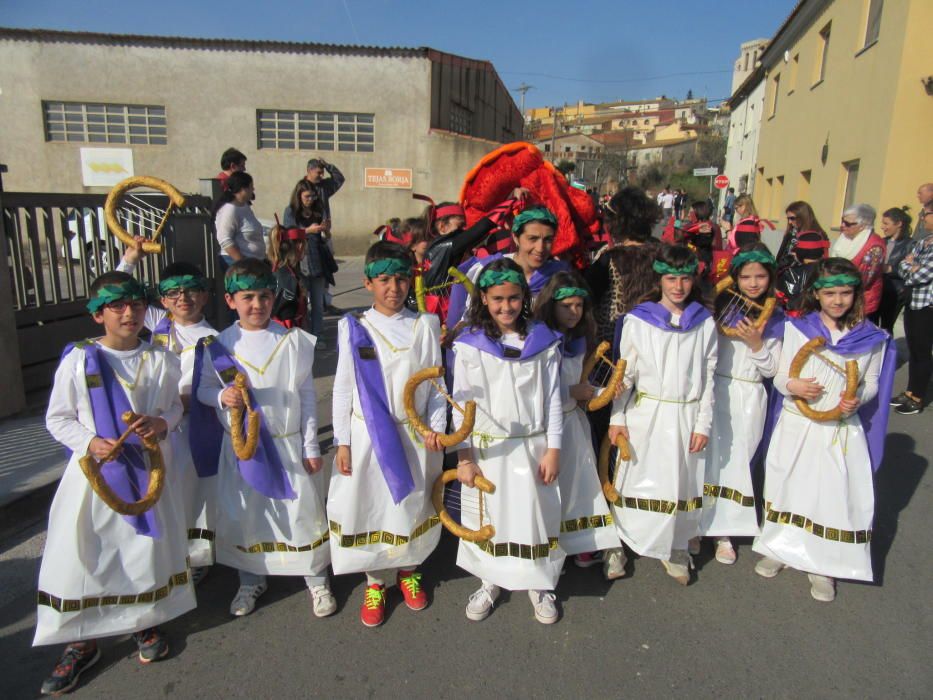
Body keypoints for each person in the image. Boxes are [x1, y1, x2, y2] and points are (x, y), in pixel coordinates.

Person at [35, 272, 193, 696]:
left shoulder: (162, 359)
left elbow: (174, 408)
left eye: (136, 305)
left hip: (148, 473)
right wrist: (89, 442)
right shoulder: (81, 359)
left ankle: (145, 623)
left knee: (143, 550)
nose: (129, 313)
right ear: (97, 314)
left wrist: (162, 423)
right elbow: (58, 418)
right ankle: (82, 641)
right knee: (91, 553)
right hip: (94, 478)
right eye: (118, 306)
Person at [192, 259, 334, 619]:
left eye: (265, 296)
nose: (257, 305)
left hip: (287, 443)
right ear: (230, 300)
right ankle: (250, 578)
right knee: (246, 514)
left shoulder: (291, 341)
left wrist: (311, 445)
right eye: (248, 297)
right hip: (243, 447)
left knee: (302, 512)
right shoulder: (218, 345)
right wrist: (221, 397)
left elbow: (305, 395)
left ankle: (315, 577)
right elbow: (205, 389)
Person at [753, 258, 895, 602]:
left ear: (856, 294)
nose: (838, 300)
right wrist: (794, 386)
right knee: (788, 484)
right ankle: (780, 547)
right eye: (830, 293)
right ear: (816, 294)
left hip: (839, 427)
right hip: (797, 423)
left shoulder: (871, 337)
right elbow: (781, 375)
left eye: (845, 293)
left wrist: (858, 398)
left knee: (831, 496)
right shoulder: (798, 329)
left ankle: (823, 565)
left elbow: (873, 381)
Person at [329, 242, 445, 627]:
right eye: (383, 280)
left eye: (400, 278)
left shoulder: (425, 325)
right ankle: (376, 579)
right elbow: (343, 388)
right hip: (369, 439)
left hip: (414, 435)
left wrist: (437, 429)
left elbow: (438, 386)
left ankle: (410, 570)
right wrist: (342, 441)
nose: (393, 287)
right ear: (367, 283)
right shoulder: (355, 327)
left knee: (411, 505)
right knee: (373, 507)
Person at [451, 257, 565, 624]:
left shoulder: (542, 341)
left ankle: (540, 583)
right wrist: (463, 456)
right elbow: (460, 407)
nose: (506, 306)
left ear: (524, 298)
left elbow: (553, 400)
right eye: (497, 298)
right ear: (483, 298)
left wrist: (554, 448)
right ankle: (489, 581)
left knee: (535, 518)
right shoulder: (470, 344)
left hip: (532, 445)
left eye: (513, 298)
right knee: (490, 517)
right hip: (489, 448)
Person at [606, 245, 717, 585]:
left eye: (684, 279)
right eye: (671, 278)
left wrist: (703, 423)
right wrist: (617, 416)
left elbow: (709, 375)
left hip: (686, 415)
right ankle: (618, 544)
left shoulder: (704, 321)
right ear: (659, 279)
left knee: (682, 481)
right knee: (635, 478)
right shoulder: (639, 320)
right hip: (647, 413)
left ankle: (676, 546)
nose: (678, 286)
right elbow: (625, 372)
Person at [117, 239, 218, 583]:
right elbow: (116, 296)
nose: (183, 299)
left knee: (191, 491)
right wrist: (129, 259)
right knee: (160, 491)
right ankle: (164, 552)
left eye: (191, 291)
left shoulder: (216, 337)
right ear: (162, 300)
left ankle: (197, 556)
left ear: (204, 295)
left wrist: (186, 403)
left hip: (192, 426)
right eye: (173, 293)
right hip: (155, 429)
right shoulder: (158, 323)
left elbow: (221, 386)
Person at [699, 244, 783, 564]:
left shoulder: (776, 319)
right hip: (716, 388)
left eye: (760, 276)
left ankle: (726, 532)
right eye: (746, 276)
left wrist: (757, 345)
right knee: (707, 460)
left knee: (738, 463)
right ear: (734, 277)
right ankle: (697, 524)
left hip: (749, 396)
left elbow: (772, 370)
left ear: (770, 278)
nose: (752, 283)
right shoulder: (720, 307)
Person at [533, 272, 621, 573]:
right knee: (549, 487)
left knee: (577, 486)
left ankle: (579, 542)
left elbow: (582, 383)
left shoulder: (581, 338)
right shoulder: (539, 341)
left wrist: (604, 391)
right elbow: (537, 391)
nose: (575, 312)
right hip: (547, 427)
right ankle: (549, 541)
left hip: (574, 421)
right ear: (550, 306)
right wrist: (573, 392)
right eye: (567, 305)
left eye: (579, 305)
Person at [446, 207, 568, 330]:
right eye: (532, 239)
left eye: (548, 240)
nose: (540, 248)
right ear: (516, 238)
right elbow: (466, 319)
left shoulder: (560, 276)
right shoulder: (488, 270)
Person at [417, 189, 523, 323]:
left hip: (438, 311)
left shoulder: (439, 246)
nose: (464, 231)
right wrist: (511, 200)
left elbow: (480, 233)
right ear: (442, 227)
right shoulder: (445, 246)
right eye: (460, 226)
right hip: (440, 313)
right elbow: (482, 228)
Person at [585, 186, 661, 344]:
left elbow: (588, 295)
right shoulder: (663, 252)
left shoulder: (610, 258)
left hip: (615, 343)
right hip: (656, 337)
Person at [283, 180, 337, 340]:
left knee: (318, 303)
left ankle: (318, 335)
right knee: (300, 302)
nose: (310, 199)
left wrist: (326, 231)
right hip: (299, 260)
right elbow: (289, 234)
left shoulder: (318, 210)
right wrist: (307, 230)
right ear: (298, 196)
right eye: (307, 196)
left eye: (313, 196)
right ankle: (303, 335)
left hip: (317, 258)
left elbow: (326, 237)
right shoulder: (291, 211)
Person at [891, 207, 933, 415]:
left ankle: (918, 397)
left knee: (923, 352)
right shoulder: (924, 242)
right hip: (912, 302)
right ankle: (909, 391)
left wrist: (913, 267)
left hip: (926, 306)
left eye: (926, 214)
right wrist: (911, 266)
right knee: (914, 350)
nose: (923, 218)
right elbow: (901, 266)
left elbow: (921, 275)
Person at [304, 158, 345, 314]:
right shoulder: (302, 188)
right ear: (309, 171)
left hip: (324, 234)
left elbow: (339, 179)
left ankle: (325, 303)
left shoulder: (324, 187)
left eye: (322, 172)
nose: (321, 175)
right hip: (309, 236)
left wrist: (329, 165)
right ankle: (311, 304)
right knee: (311, 271)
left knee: (326, 269)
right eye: (318, 172)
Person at [830, 204, 885, 318]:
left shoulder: (874, 246)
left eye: (848, 224)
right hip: (841, 297)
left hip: (861, 302)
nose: (842, 226)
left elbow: (864, 279)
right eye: (842, 221)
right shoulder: (845, 238)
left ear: (863, 226)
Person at [213, 171, 264, 266]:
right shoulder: (230, 209)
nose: (253, 189)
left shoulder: (245, 206)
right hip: (236, 264)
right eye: (251, 186)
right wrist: (242, 262)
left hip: (253, 263)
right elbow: (224, 238)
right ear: (243, 189)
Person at [876, 206, 913, 334]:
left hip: (895, 292)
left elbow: (911, 271)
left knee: (886, 327)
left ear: (899, 224)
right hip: (878, 288)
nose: (882, 227)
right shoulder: (881, 241)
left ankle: (887, 352)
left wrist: (891, 269)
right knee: (871, 325)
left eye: (886, 223)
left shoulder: (911, 244)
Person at [267, 222, 308, 330]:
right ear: (299, 246)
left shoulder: (285, 270)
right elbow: (285, 312)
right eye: (303, 244)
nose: (304, 250)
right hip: (286, 331)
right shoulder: (286, 275)